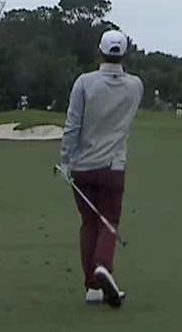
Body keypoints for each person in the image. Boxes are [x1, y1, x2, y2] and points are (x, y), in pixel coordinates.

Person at [57, 29, 143, 309]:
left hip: (82, 167)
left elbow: (73, 125)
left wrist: (66, 161)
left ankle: (92, 287)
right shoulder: (135, 86)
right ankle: (104, 266)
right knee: (110, 219)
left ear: (100, 51)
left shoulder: (84, 83)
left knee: (89, 224)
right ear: (125, 54)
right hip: (113, 167)